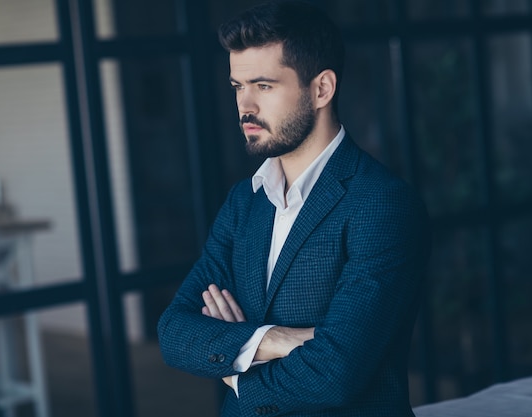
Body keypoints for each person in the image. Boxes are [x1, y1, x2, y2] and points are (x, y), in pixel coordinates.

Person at [158, 1, 431, 415]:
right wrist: (276, 339)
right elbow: (174, 331)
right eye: (238, 86)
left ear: (321, 88)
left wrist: (235, 370)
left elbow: (336, 373)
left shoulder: (382, 204)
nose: (245, 106)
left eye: (263, 86)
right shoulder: (243, 202)